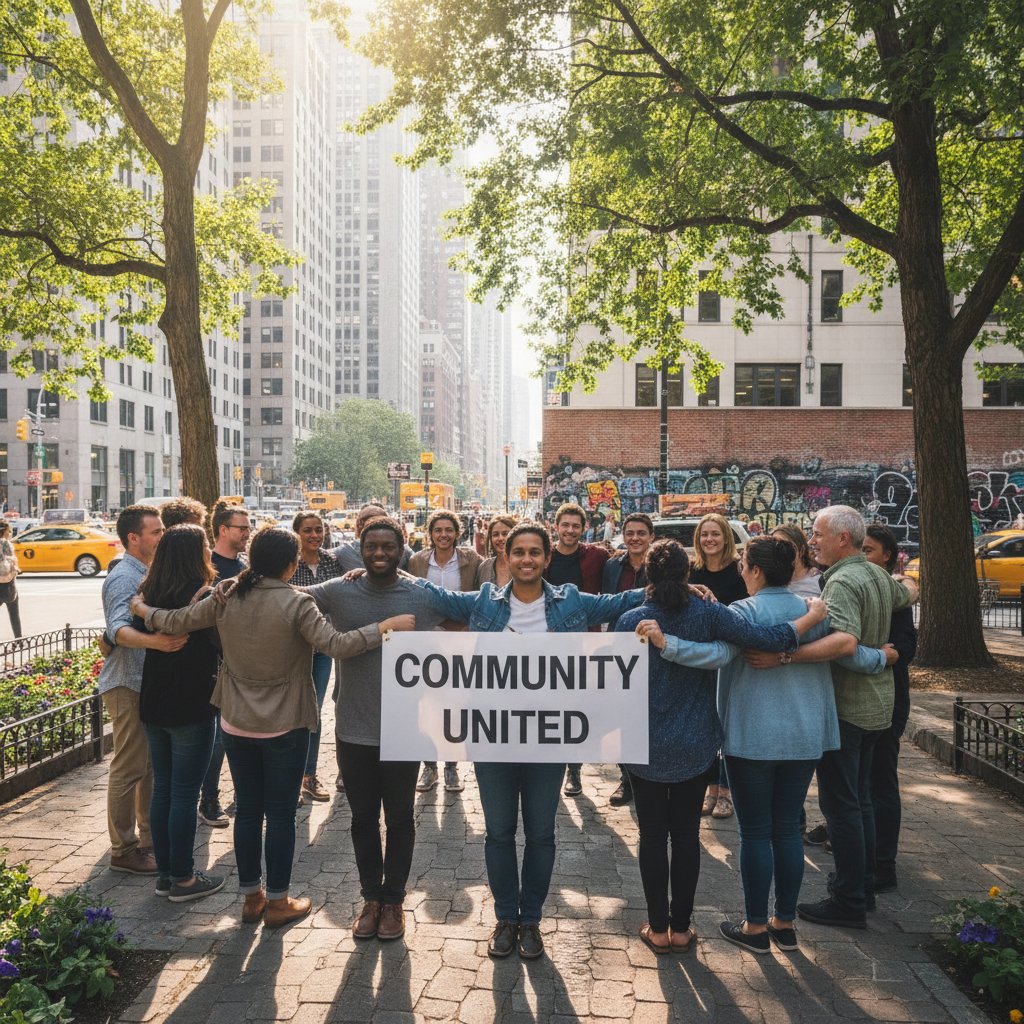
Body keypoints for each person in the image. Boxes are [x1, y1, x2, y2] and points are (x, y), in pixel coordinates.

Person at [132, 526, 413, 927]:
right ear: (291, 563)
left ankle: (251, 898)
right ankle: (279, 902)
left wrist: (143, 611)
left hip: (236, 721)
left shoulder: (227, 597)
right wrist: (384, 628)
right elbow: (336, 645)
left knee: (247, 811)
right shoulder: (297, 603)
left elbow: (176, 622)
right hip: (285, 723)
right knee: (280, 815)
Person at [411, 521, 648, 960]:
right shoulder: (483, 601)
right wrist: (373, 572)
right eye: (518, 551)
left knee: (541, 834)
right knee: (499, 833)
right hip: (492, 737)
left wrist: (682, 587)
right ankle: (506, 918)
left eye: (534, 552)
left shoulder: (571, 601)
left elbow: (623, 600)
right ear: (506, 555)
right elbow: (432, 596)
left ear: (546, 558)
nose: (525, 559)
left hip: (549, 739)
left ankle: (532, 920)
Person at [645, 538, 893, 954]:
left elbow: (715, 655)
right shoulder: (813, 609)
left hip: (752, 736)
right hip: (805, 734)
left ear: (756, 571)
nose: (740, 570)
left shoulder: (743, 612)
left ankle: (756, 927)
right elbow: (847, 653)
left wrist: (665, 644)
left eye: (743, 563)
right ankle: (785, 922)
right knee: (787, 832)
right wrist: (884, 658)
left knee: (756, 833)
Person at [617, 539, 826, 955]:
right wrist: (809, 619)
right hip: (696, 742)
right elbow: (767, 638)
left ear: (647, 578)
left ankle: (658, 930)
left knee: (653, 837)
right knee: (688, 836)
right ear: (688, 575)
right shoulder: (710, 614)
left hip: (643, 744)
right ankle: (682, 928)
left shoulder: (630, 620)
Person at [751, 505, 917, 929]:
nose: (812, 540)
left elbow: (842, 643)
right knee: (860, 802)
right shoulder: (878, 573)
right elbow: (907, 594)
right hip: (878, 704)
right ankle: (862, 888)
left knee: (842, 805)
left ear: (843, 538)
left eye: (818, 533)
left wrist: (785, 656)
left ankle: (848, 900)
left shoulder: (842, 580)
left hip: (848, 707)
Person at [305, 517, 447, 942]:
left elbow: (475, 607)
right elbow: (287, 596)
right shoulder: (340, 591)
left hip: (407, 728)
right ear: (359, 550)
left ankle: (394, 902)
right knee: (363, 818)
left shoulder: (422, 594)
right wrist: (232, 583)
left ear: (403, 550)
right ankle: (370, 899)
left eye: (388, 547)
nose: (379, 554)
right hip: (354, 728)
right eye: (372, 547)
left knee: (401, 818)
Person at [98, 505, 188, 876]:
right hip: (127, 684)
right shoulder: (124, 577)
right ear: (134, 538)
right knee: (129, 767)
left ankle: (148, 839)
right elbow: (116, 630)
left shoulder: (147, 571)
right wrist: (158, 643)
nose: (162, 536)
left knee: (148, 766)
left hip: (143, 684)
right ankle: (123, 849)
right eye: (156, 532)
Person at [137, 524, 223, 902]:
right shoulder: (203, 596)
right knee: (185, 794)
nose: (209, 551)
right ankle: (184, 879)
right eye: (205, 545)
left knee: (164, 790)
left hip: (155, 701)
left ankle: (165, 874)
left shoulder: (147, 593)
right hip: (192, 702)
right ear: (195, 554)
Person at [409, 509, 482, 794]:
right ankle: (429, 766)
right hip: (424, 642)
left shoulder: (471, 561)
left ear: (457, 532)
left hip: (459, 642)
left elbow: (479, 597)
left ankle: (451, 766)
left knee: (454, 706)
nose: (443, 535)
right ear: (430, 533)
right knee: (426, 705)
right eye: (438, 530)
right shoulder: (416, 561)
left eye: (448, 530)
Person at [862, 525, 917, 894]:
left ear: (886, 555)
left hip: (888, 700)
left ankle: (884, 865)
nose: (862, 555)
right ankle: (866, 856)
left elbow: (905, 649)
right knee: (862, 783)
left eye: (868, 550)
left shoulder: (893, 593)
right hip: (864, 701)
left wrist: (882, 653)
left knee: (881, 782)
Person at [543, 502, 610, 797]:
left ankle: (574, 770)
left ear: (583, 529)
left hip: (583, 643)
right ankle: (546, 769)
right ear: (555, 526)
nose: (569, 530)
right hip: (543, 642)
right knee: (545, 709)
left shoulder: (597, 555)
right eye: (565, 525)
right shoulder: (544, 556)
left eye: (575, 526)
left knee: (575, 710)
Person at [197, 500, 252, 829]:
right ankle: (209, 798)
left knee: (239, 734)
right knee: (217, 737)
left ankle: (241, 793)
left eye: (247, 528)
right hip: (213, 663)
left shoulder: (246, 566)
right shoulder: (207, 566)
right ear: (222, 530)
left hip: (242, 662)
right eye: (241, 528)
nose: (247, 533)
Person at [690, 512, 747, 820]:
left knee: (725, 725)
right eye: (703, 534)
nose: (709, 539)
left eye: (715, 534)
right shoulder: (692, 571)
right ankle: (710, 788)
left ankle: (726, 792)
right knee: (706, 724)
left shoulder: (738, 573)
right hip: (698, 657)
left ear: (727, 538)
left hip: (728, 657)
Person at [289, 511, 346, 804]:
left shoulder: (332, 561)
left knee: (313, 710)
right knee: (289, 711)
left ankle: (308, 776)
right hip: (292, 648)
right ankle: (289, 778)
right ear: (297, 532)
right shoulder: (287, 562)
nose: (314, 535)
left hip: (322, 648)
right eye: (308, 530)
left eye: (319, 530)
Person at [601, 512, 656, 807]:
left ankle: (650, 776)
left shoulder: (659, 565)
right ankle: (627, 778)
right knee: (622, 715)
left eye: (641, 533)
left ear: (651, 537)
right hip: (618, 648)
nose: (635, 538)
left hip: (653, 647)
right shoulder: (612, 566)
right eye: (630, 532)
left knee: (647, 714)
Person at [331, 503, 414, 571]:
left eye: (389, 547)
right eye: (370, 547)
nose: (379, 554)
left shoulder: (343, 552)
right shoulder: (343, 552)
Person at [772, 524, 822, 598]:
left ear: (801, 550)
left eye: (786, 546)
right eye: (775, 546)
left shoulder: (819, 581)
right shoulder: (770, 580)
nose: (780, 551)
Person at [475, 515, 516, 588]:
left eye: (505, 534)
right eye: (495, 534)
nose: (500, 538)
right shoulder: (484, 567)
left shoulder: (523, 565)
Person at [0, 520, 22, 639]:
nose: (10, 533)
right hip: (7, 583)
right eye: (9, 530)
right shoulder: (6, 543)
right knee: (14, 613)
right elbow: (12, 561)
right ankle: (19, 639)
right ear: (4, 531)